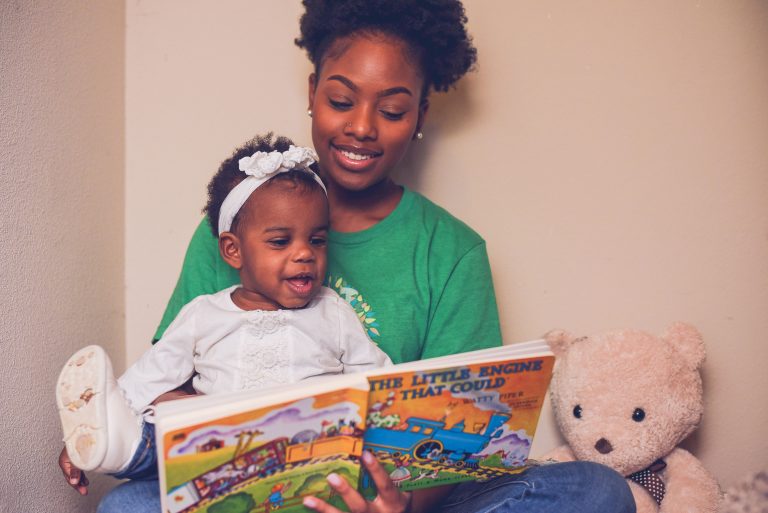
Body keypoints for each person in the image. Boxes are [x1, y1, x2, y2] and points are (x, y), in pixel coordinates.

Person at [62, 1, 636, 512]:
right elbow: (164, 381)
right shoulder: (235, 226)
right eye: (341, 100)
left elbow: (453, 431)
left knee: (594, 491)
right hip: (245, 484)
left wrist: (396, 505)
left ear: (419, 119)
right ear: (312, 93)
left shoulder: (453, 252)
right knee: (127, 507)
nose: (361, 127)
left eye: (391, 110)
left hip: (384, 495)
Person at [56, 134, 391, 483]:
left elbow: (379, 378)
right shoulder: (204, 315)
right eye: (280, 241)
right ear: (233, 250)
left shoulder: (332, 313)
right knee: (169, 422)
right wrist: (100, 422)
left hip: (305, 452)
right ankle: (116, 445)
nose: (305, 253)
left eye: (317, 240)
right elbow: (150, 374)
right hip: (218, 457)